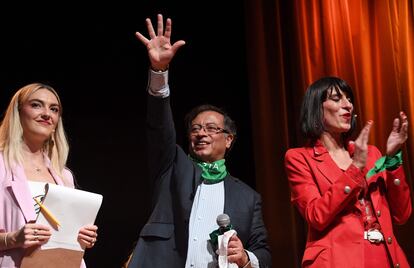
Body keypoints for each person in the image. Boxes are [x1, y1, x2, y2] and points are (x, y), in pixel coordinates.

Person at [127, 14, 271, 268]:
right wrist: (159, 72)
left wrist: (247, 257)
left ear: (228, 140)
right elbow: (159, 126)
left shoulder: (247, 197)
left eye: (211, 128)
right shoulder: (172, 166)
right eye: (195, 129)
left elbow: (263, 251)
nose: (201, 133)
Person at [284, 77, 412, 267]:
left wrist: (392, 160)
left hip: (385, 258)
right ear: (316, 108)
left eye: (349, 99)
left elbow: (402, 215)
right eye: (337, 99)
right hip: (338, 260)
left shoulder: (371, 153)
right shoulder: (299, 157)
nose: (348, 105)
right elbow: (316, 216)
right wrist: (355, 169)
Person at [0, 83, 99, 267]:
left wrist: (80, 239)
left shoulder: (64, 176)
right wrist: (12, 238)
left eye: (54, 109)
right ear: (18, 113)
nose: (47, 114)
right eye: (36, 105)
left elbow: (63, 236)